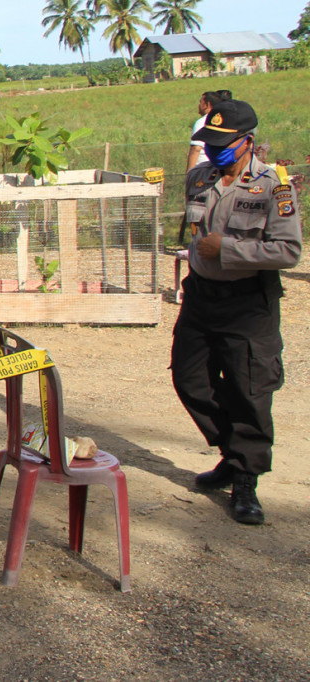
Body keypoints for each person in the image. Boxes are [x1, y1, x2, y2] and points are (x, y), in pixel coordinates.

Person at [172, 99, 302, 525]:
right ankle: (233, 451)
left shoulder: (274, 187)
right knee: (189, 379)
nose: (212, 150)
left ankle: (246, 478)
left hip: (247, 303)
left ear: (247, 141)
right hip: (201, 297)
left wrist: (226, 248)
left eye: (222, 144)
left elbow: (288, 251)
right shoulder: (199, 178)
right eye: (209, 142)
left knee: (249, 389)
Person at [186, 90, 232, 172]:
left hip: (202, 170)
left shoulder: (201, 122)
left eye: (200, 102)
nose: (199, 105)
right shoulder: (225, 120)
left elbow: (196, 149)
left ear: (207, 105)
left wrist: (189, 173)